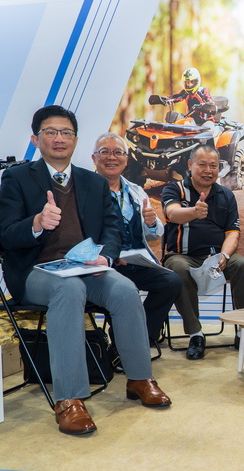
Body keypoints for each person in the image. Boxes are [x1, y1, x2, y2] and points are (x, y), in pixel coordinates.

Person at [0, 105, 172, 436]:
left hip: (85, 267)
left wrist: (106, 257)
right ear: (35, 139)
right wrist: (37, 222)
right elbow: (6, 234)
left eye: (66, 132)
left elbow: (111, 229)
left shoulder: (93, 182)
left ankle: (139, 378)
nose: (59, 138)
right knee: (69, 289)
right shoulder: (17, 178)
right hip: (37, 271)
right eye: (50, 132)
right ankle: (69, 399)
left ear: (75, 140)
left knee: (124, 289)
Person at [161, 144, 244, 360]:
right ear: (190, 165)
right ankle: (196, 334)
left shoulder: (226, 195)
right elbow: (172, 213)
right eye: (202, 165)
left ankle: (243, 332)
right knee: (177, 269)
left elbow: (233, 232)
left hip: (217, 257)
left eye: (213, 166)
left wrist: (224, 256)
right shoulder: (175, 189)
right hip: (183, 256)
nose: (208, 170)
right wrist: (194, 212)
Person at [92, 132, 181, 344]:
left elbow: (154, 234)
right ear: (94, 158)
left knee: (171, 282)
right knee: (123, 291)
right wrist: (109, 256)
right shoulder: (85, 191)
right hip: (105, 266)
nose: (112, 157)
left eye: (118, 152)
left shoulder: (136, 191)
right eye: (105, 152)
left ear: (126, 160)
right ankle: (127, 343)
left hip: (137, 263)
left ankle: (141, 337)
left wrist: (151, 223)